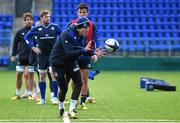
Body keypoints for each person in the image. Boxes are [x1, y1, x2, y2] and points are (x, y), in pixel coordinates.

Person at [49, 16, 105, 118]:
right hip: (58, 62)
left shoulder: (82, 36)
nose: (87, 30)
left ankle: (72, 109)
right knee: (64, 88)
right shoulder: (67, 34)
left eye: (88, 28)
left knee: (79, 82)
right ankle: (61, 107)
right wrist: (84, 50)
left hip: (70, 61)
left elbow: (80, 50)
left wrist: (93, 53)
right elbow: (70, 52)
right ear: (78, 28)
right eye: (85, 28)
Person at [24, 10, 62, 105]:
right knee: (42, 76)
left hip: (53, 55)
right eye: (46, 17)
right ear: (41, 18)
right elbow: (26, 38)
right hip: (42, 55)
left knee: (53, 74)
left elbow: (63, 36)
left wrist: (60, 47)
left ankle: (54, 97)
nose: (48, 18)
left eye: (48, 16)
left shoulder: (55, 27)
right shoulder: (37, 28)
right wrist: (33, 47)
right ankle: (43, 99)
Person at [67, 3, 99, 109]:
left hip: (86, 54)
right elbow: (66, 38)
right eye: (80, 12)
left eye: (84, 12)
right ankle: (74, 99)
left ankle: (82, 101)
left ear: (87, 13)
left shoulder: (92, 25)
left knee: (85, 79)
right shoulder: (72, 24)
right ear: (77, 12)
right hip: (75, 54)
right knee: (74, 79)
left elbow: (95, 40)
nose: (82, 14)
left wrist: (95, 53)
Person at [11, 12, 35, 100]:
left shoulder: (35, 31)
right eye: (27, 20)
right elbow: (15, 44)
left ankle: (30, 94)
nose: (29, 21)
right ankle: (17, 94)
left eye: (30, 20)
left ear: (32, 21)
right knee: (19, 75)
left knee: (29, 75)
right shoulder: (19, 32)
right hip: (22, 57)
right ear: (24, 22)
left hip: (32, 57)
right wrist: (13, 54)